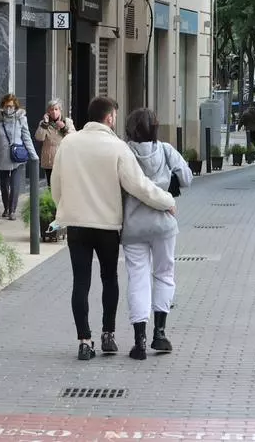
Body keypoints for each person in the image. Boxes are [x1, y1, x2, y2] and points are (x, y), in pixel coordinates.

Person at [52, 97, 176, 361]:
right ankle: (108, 335)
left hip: (77, 224)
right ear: (109, 118)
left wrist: (65, 208)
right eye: (115, 117)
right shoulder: (118, 147)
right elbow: (139, 187)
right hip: (107, 225)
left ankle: (85, 341)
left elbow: (56, 184)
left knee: (80, 282)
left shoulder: (68, 143)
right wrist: (167, 201)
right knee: (109, 279)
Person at [121, 108, 193, 360]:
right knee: (164, 274)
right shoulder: (165, 150)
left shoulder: (124, 152)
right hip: (164, 224)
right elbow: (187, 178)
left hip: (133, 226)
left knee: (137, 278)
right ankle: (160, 333)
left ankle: (139, 339)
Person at [0, 94, 39, 220]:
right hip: (1, 156)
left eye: (11, 106)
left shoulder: (21, 119)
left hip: (17, 157)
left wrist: (34, 155)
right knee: (4, 185)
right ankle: (6, 208)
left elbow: (26, 138)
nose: (8, 109)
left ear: (15, 107)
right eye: (6, 106)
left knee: (15, 185)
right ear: (2, 106)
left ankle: (12, 210)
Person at [34, 98, 74, 187]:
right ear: (48, 112)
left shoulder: (67, 121)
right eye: (51, 109)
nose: (54, 112)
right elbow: (39, 138)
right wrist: (45, 124)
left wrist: (64, 128)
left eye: (56, 109)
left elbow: (73, 137)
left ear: (60, 110)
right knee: (51, 185)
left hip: (63, 158)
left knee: (63, 185)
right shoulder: (43, 123)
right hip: (49, 159)